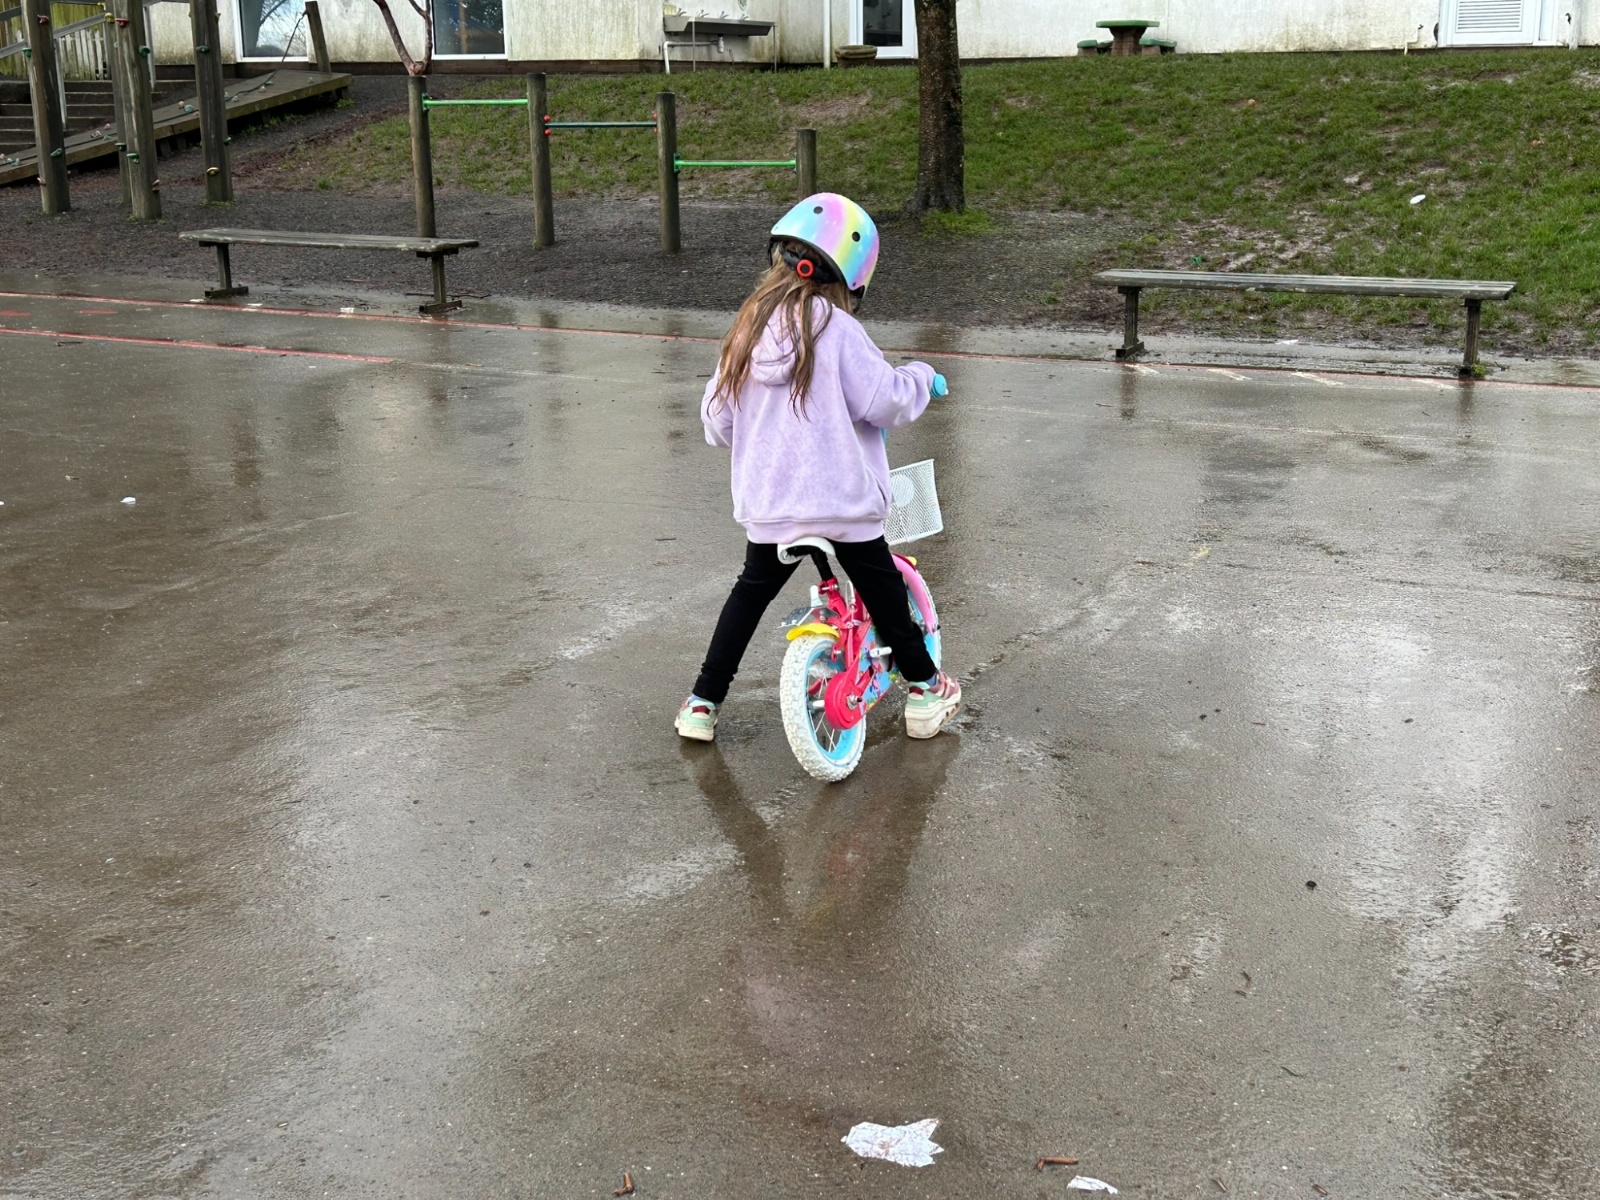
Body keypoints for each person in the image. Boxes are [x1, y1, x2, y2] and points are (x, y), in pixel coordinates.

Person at [675, 192, 961, 745]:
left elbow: (717, 422)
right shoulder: (840, 330)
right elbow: (886, 402)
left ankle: (702, 703)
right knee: (882, 593)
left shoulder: (745, 331)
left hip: (771, 508)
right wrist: (922, 377)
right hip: (842, 506)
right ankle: (926, 691)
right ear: (853, 276)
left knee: (748, 596)